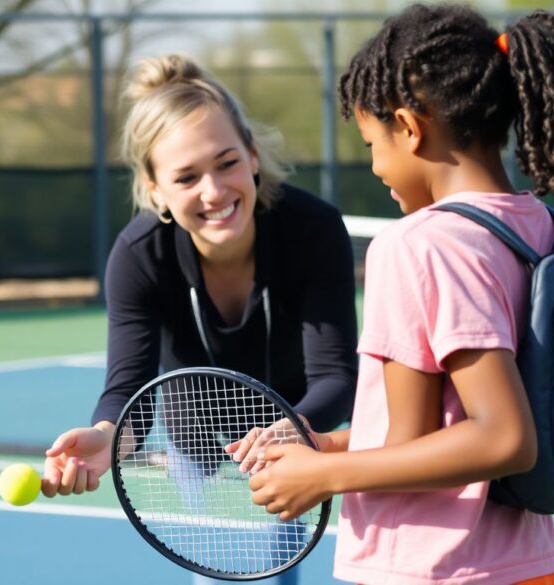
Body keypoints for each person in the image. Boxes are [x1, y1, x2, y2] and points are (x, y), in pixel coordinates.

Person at [246, 5, 554, 585]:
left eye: (370, 143)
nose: (376, 165)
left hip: (429, 570)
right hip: (533, 565)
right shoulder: (545, 228)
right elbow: (427, 434)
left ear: (410, 127)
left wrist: (321, 477)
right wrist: (329, 447)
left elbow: (504, 436)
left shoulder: (416, 245)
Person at [40, 54, 360, 585]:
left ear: (253, 155)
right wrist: (108, 436)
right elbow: (128, 388)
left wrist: (295, 431)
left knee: (276, 571)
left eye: (227, 162)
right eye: (186, 177)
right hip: (195, 438)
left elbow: (335, 376)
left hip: (295, 426)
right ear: (155, 189)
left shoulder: (314, 230)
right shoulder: (138, 257)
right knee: (222, 575)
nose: (214, 192)